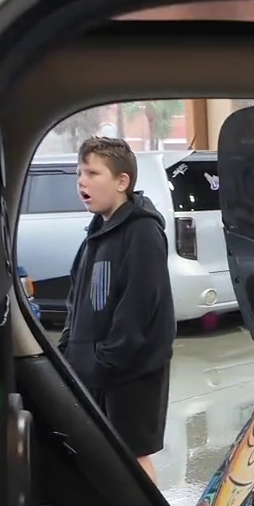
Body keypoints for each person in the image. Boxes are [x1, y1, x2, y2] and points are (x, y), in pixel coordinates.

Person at [59, 136, 175, 481]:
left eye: (93, 173)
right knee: (107, 460)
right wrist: (67, 350)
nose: (82, 182)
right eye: (80, 174)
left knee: (132, 458)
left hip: (129, 375)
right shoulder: (96, 233)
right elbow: (77, 300)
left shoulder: (142, 232)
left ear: (122, 181)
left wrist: (106, 360)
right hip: (94, 373)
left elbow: (140, 305)